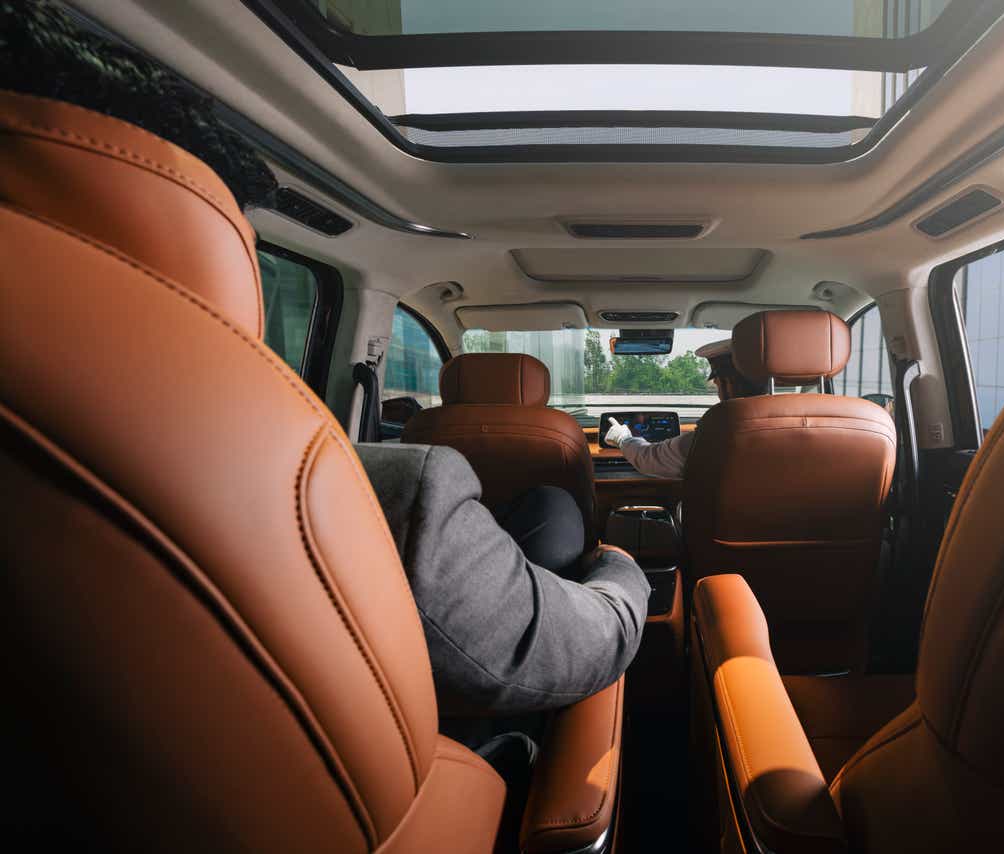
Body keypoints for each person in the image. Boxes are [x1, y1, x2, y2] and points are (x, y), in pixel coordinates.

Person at [0, 0, 648, 717]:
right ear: (208, 245)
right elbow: (555, 648)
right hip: (421, 763)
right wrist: (621, 571)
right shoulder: (383, 491)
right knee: (556, 507)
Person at [605, 338, 766, 478]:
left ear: (727, 383)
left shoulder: (714, 436)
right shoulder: (790, 426)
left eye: (717, 383)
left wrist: (623, 439)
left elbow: (649, 458)